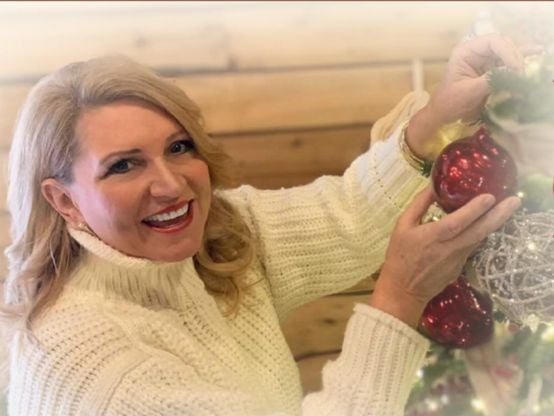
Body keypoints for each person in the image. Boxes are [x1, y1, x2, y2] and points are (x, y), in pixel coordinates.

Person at [1, 34, 531, 415]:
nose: (171, 185)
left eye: (178, 147)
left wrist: (436, 117)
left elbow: (345, 217)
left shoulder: (213, 235)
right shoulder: (103, 375)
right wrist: (402, 296)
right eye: (123, 165)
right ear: (64, 200)